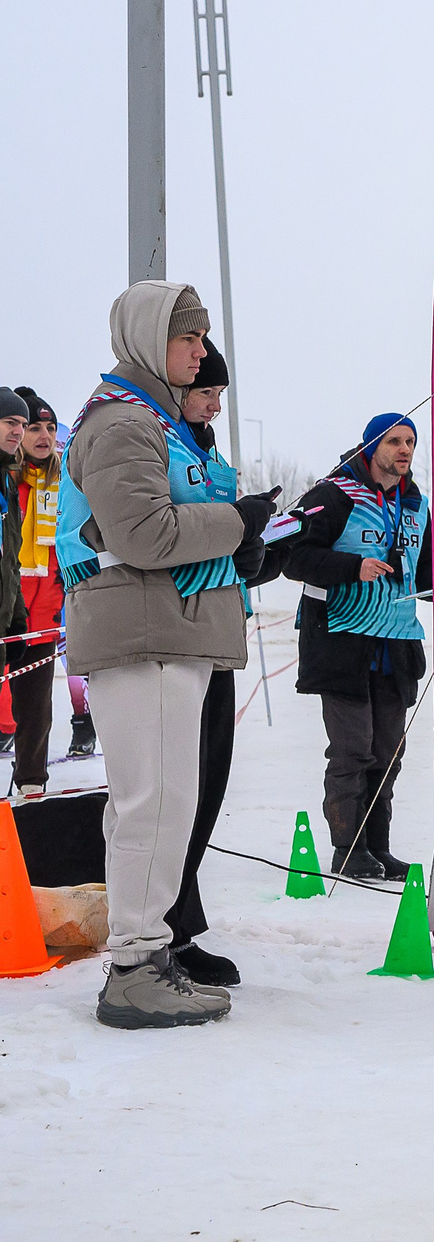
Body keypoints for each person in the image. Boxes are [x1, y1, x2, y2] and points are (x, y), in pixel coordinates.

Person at [63, 281, 274, 1029]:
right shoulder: (124, 422)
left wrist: (240, 539)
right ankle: (135, 966)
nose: (199, 351)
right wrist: (236, 520)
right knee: (154, 802)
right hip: (143, 634)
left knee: (158, 802)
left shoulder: (156, 422)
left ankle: (147, 951)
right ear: (152, 338)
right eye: (189, 338)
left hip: (166, 632)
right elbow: (142, 534)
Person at [161, 344, 278, 985]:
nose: (214, 404)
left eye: (218, 395)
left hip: (216, 629)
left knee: (206, 791)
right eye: (206, 392)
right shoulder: (156, 442)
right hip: (173, 633)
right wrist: (236, 526)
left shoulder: (207, 450)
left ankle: (181, 928)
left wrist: (253, 548)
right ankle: (161, 938)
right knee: (175, 794)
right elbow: (163, 534)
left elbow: (218, 537)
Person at [281, 411, 430, 880]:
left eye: (410, 442)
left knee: (388, 753)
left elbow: (428, 571)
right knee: (352, 750)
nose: (404, 451)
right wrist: (352, 567)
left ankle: (378, 848)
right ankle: (348, 850)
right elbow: (291, 557)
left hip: (397, 643)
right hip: (342, 643)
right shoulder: (334, 494)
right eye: (393, 442)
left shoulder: (416, 504)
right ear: (370, 446)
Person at [11, 390, 69, 795]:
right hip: (6, 616)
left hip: (43, 620)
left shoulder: (64, 486)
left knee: (36, 714)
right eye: (34, 427)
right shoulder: (5, 483)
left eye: (49, 427)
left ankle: (32, 787)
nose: (44, 435)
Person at [0, 383, 28, 763]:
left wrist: (17, 615)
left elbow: (11, 559)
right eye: (8, 421)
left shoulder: (8, 480)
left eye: (20, 423)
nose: (18, 431)